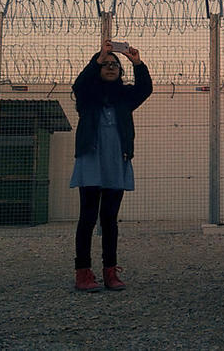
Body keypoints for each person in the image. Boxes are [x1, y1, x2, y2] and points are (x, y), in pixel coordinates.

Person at [70, 39, 153, 292]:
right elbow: (79, 84)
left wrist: (137, 62)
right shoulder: (87, 97)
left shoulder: (125, 98)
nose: (110, 67)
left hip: (117, 160)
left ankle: (110, 271)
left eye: (114, 64)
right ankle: (83, 273)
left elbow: (145, 88)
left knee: (109, 219)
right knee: (87, 218)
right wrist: (99, 56)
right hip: (91, 160)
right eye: (105, 64)